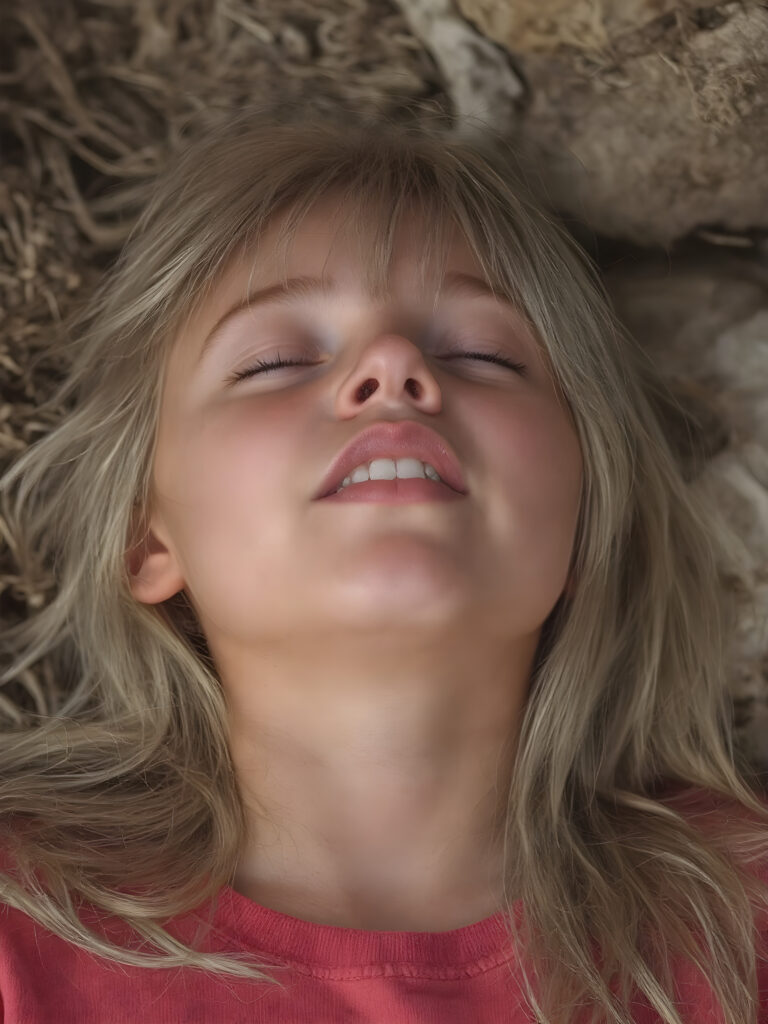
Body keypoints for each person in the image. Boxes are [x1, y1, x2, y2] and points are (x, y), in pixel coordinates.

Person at [0, 106, 766, 1024]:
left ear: (585, 518)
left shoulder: (742, 929)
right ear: (147, 537)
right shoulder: (18, 927)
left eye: (483, 353)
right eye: (276, 360)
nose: (393, 366)